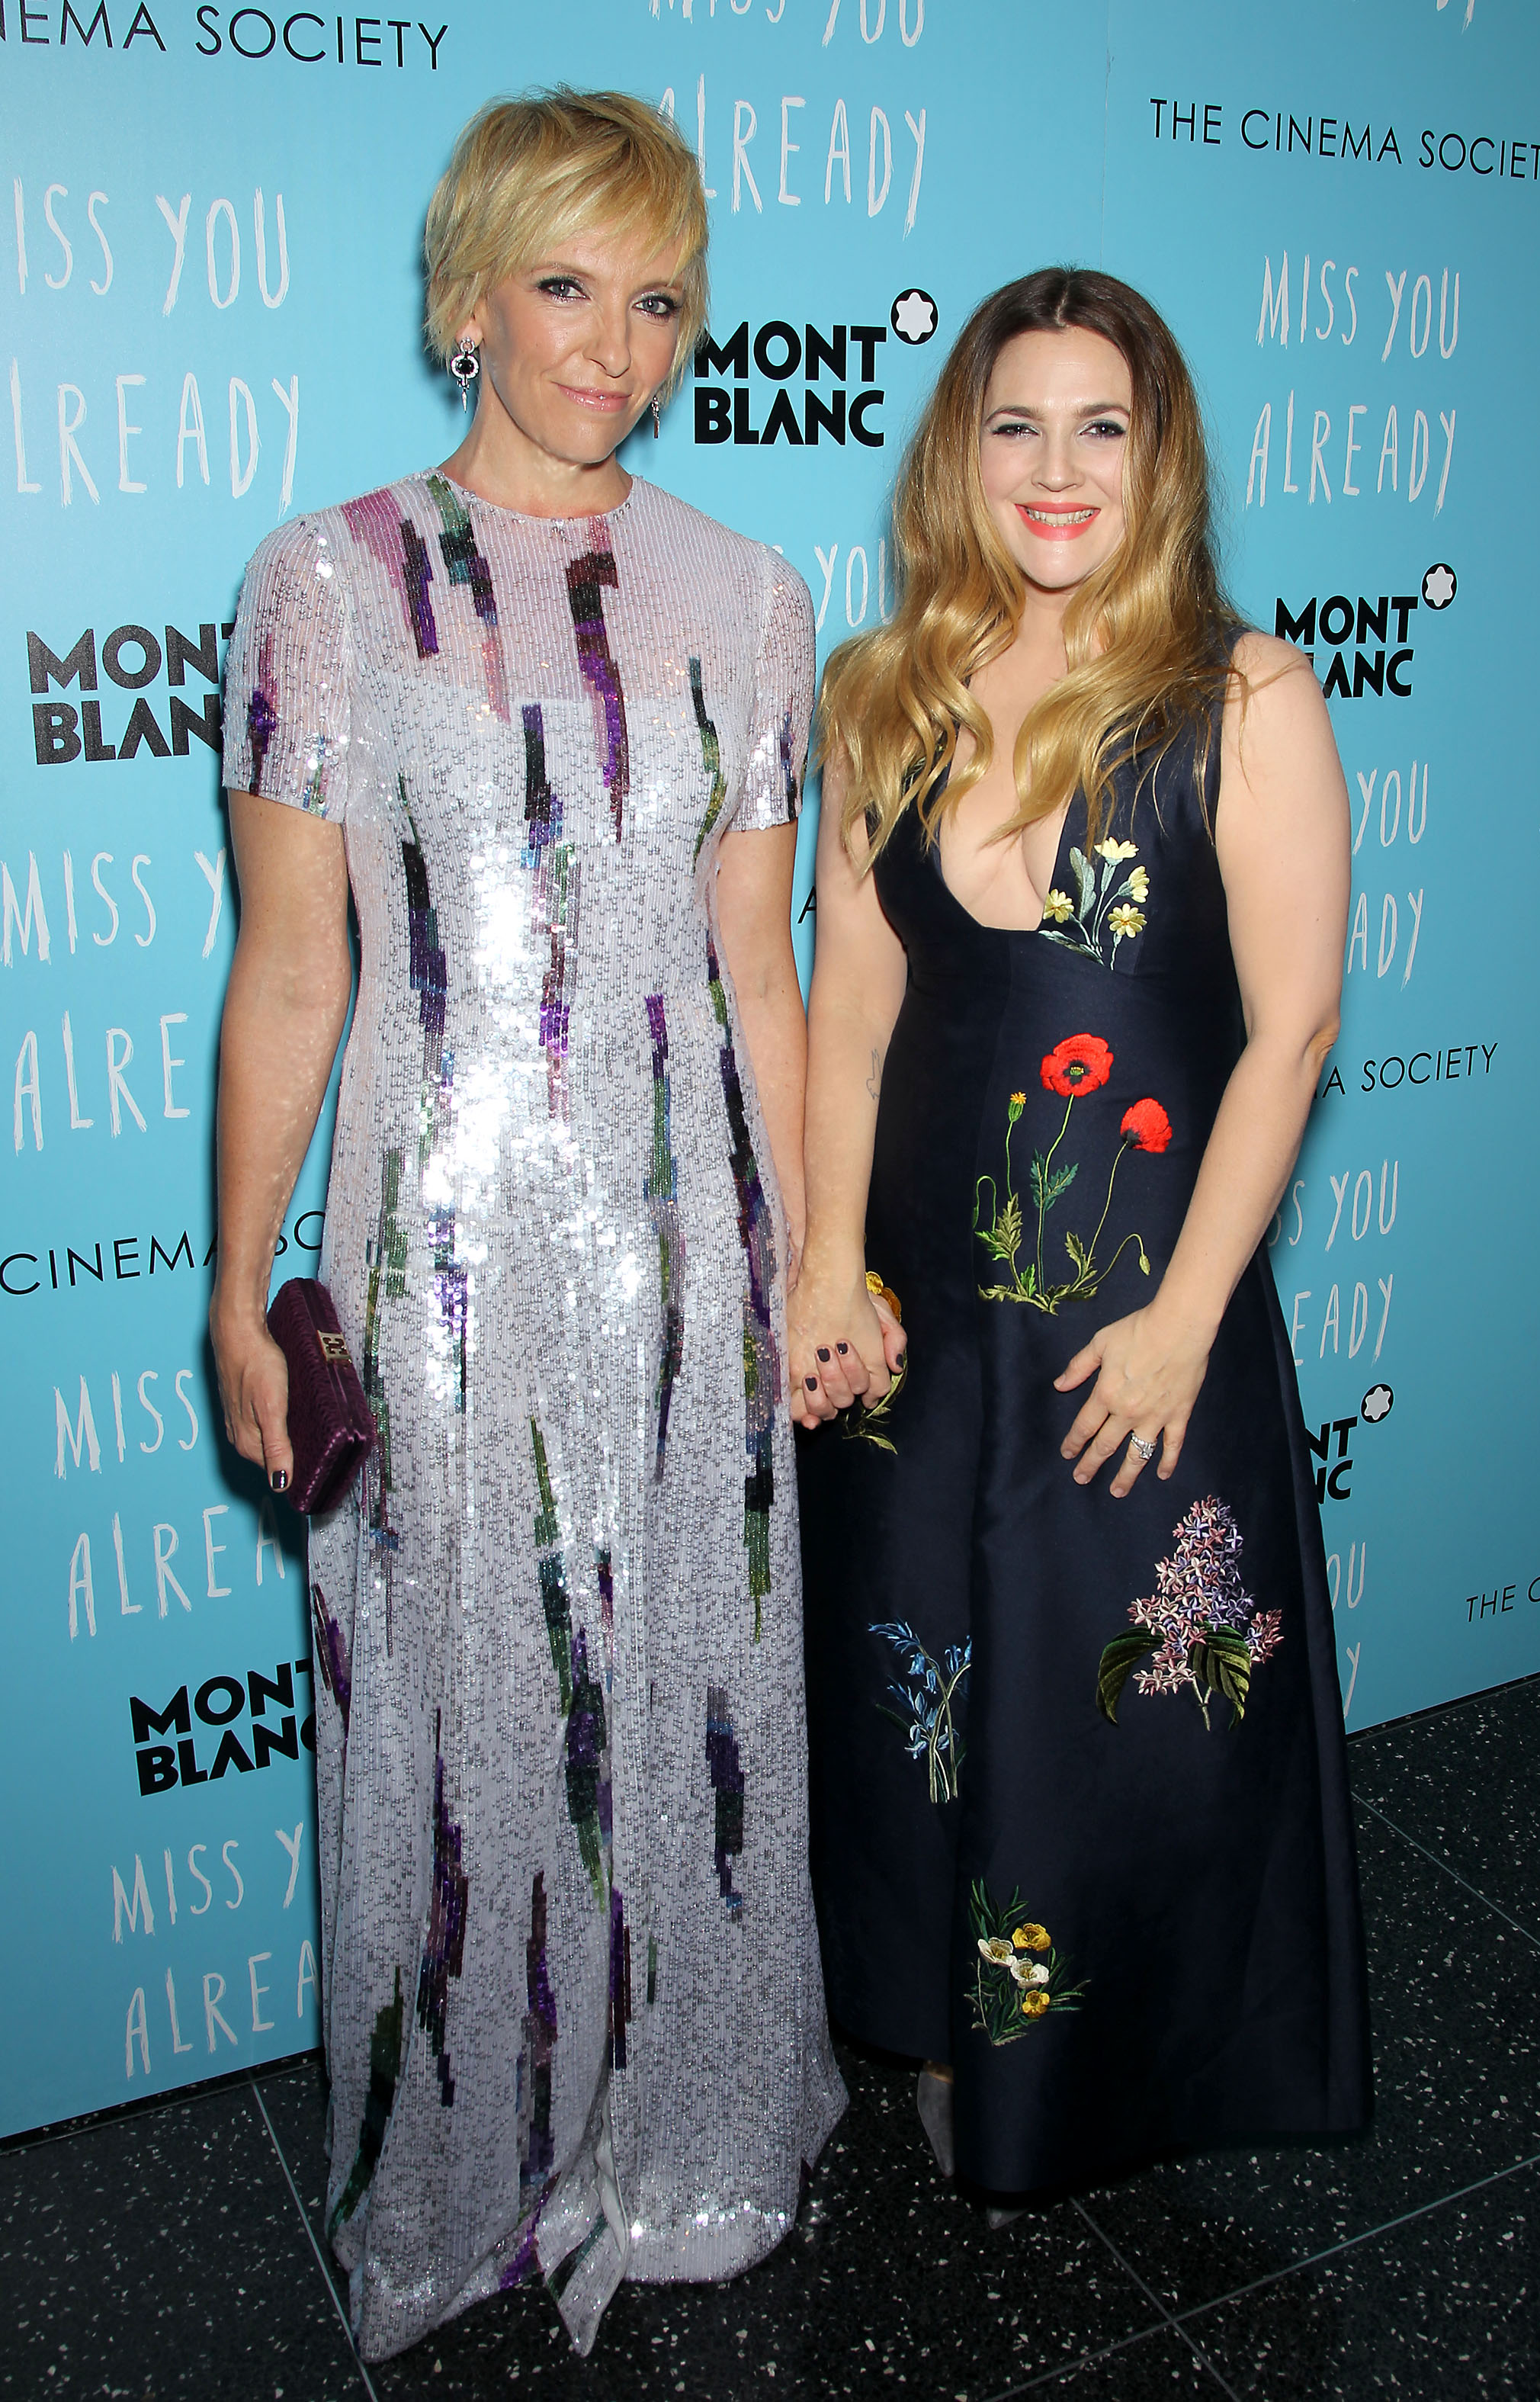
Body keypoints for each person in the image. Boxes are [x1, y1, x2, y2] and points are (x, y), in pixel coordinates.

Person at [211, 89, 844, 2359]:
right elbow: (295, 969)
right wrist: (239, 1283)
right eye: (565, 283)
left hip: (686, 1259)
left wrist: (815, 1258)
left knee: (690, 1706)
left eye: (657, 297)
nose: (612, 342)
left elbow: (759, 968)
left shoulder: (751, 596)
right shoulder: (323, 584)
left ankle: (687, 2132)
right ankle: (466, 2168)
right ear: (466, 294)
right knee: (451, 1727)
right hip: (438, 1259)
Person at [791, 268, 1369, 2215]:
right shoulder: (882, 693)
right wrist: (825, 1266)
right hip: (921, 1325)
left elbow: (1291, 1029)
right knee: (929, 1688)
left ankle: (1130, 2061)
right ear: (961, 457)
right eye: (1017, 425)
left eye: (1101, 427)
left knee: (1129, 1710)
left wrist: (1189, 1318)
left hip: (1140, 1320)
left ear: (1159, 455)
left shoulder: (1241, 695)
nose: (1058, 469)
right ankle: (951, 2033)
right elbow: (854, 1011)